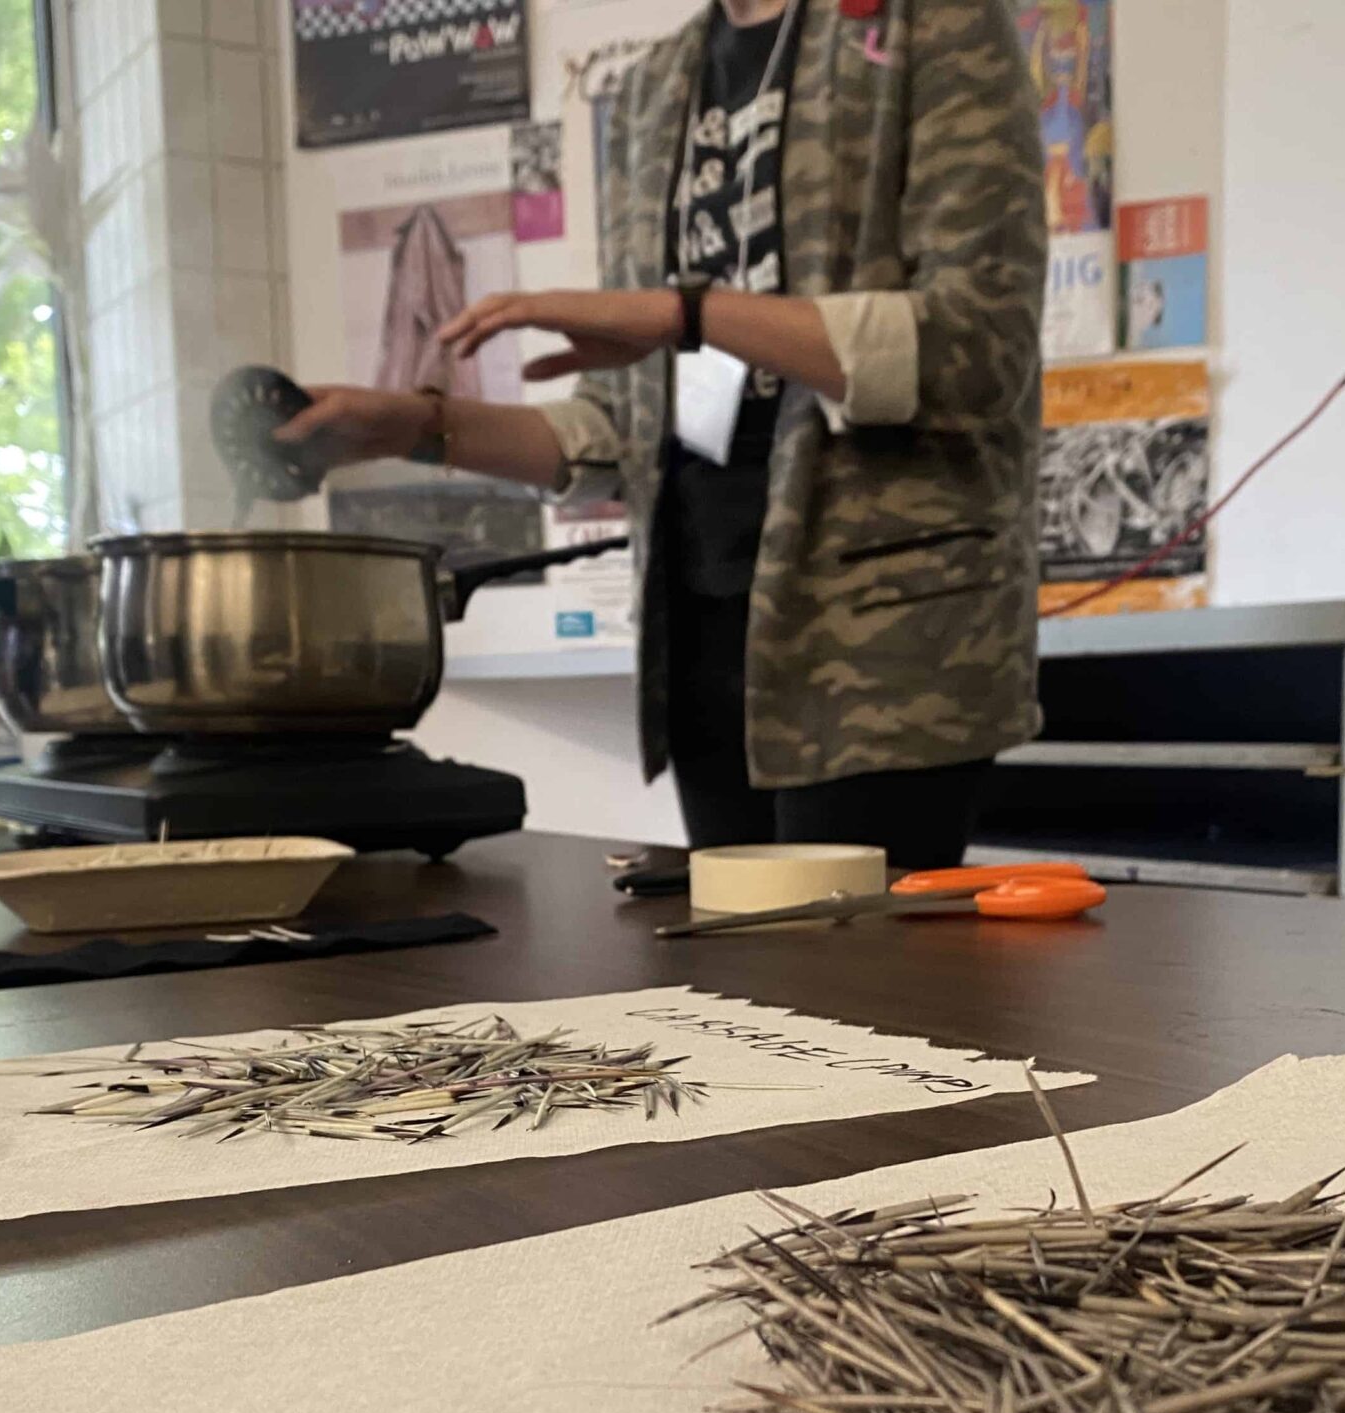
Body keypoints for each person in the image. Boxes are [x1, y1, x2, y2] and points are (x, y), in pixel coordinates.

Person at [281, 0, 1047, 868]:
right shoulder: (650, 89)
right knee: (739, 958)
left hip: (883, 643)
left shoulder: (931, 25)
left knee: (853, 956)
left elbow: (977, 350)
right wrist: (412, 426)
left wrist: (687, 313)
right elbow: (621, 430)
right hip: (700, 637)